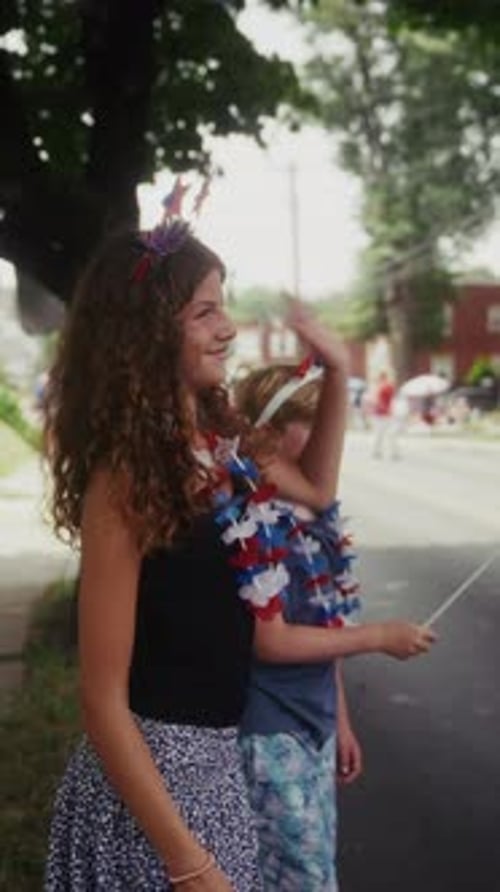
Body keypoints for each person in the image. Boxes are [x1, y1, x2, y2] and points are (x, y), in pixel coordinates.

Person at [42, 198, 435, 891]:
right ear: (146, 333)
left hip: (219, 767)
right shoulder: (126, 477)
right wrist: (189, 864)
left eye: (223, 307)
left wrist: (340, 370)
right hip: (151, 790)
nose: (228, 328)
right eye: (205, 312)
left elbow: (314, 490)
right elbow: (101, 701)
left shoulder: (221, 449)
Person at [232, 360, 436, 891]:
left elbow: (324, 628)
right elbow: (269, 642)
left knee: (314, 866)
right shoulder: (252, 520)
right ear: (271, 435)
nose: (330, 438)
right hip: (271, 730)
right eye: (314, 424)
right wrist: (379, 637)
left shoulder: (311, 517)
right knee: (295, 877)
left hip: (314, 726)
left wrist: (340, 720)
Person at [370, 370, 400, 459]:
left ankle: (378, 452)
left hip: (381, 413)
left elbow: (377, 400)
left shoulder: (382, 387)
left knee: (381, 434)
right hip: (384, 413)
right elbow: (380, 400)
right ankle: (391, 452)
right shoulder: (386, 387)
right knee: (387, 434)